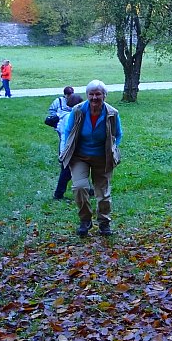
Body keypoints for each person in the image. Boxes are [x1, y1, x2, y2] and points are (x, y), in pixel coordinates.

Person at [60, 80, 123, 237]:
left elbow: (118, 134)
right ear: (87, 95)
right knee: (79, 187)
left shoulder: (112, 113)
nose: (94, 97)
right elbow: (68, 131)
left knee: (103, 193)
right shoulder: (78, 110)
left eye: (98, 94)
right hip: (79, 156)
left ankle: (104, 223)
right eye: (91, 94)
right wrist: (66, 149)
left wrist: (113, 148)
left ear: (104, 95)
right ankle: (85, 220)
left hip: (102, 157)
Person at [53, 93, 82, 200]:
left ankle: (89, 189)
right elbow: (69, 135)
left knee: (79, 169)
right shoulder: (70, 117)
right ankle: (58, 194)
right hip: (68, 148)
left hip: (66, 147)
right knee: (66, 172)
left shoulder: (64, 114)